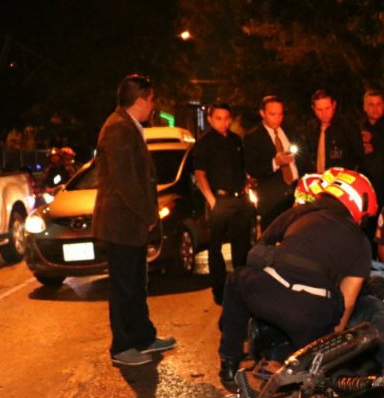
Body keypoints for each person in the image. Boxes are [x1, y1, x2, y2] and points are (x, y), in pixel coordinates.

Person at [218, 169, 376, 388]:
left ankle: (229, 363)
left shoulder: (300, 213)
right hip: (311, 316)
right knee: (315, 382)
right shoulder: (361, 242)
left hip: (270, 293)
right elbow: (348, 302)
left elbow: (256, 253)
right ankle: (300, 376)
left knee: (237, 280)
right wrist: (325, 347)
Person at [91, 74, 176, 366]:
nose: (153, 105)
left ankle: (143, 337)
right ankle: (122, 346)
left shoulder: (129, 125)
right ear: (139, 100)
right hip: (121, 223)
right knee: (124, 287)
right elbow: (125, 181)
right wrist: (149, 214)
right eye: (151, 100)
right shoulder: (118, 128)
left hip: (131, 223)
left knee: (137, 284)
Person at [191, 100, 255, 304]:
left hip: (240, 199)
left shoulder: (236, 140)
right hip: (219, 200)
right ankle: (219, 291)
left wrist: (247, 188)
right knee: (215, 247)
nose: (223, 122)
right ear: (210, 119)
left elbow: (243, 168)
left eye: (226, 118)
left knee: (241, 246)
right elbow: (200, 174)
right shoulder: (204, 143)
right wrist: (212, 200)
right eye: (218, 118)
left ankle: (241, 288)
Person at [244, 95, 299, 230]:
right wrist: (275, 162)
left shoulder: (290, 131)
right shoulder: (253, 137)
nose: (277, 118)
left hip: (296, 194)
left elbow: (303, 158)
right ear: (262, 113)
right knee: (273, 236)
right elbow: (252, 168)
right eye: (272, 114)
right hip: (272, 201)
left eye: (280, 114)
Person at [302, 89, 363, 174]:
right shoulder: (311, 128)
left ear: (334, 105)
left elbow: (359, 155)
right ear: (313, 108)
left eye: (327, 108)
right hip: (317, 177)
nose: (324, 113)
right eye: (319, 110)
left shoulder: (347, 126)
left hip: (341, 177)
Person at [360, 89, 384, 207]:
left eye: (378, 104)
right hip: (364, 184)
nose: (375, 109)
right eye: (371, 104)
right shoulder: (358, 127)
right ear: (364, 107)